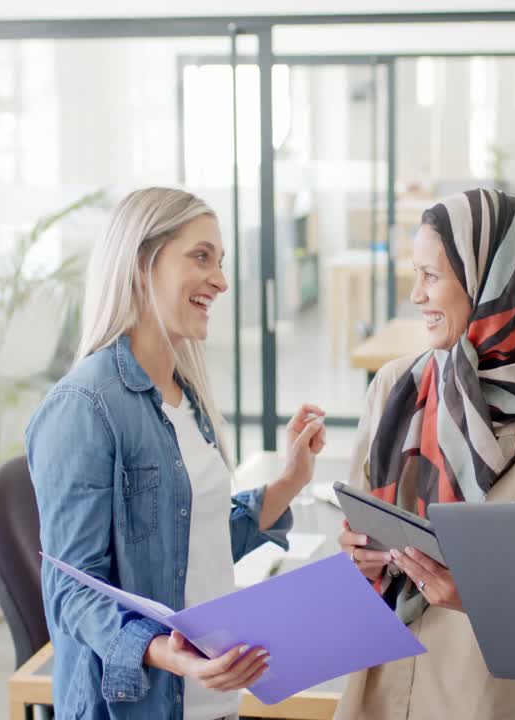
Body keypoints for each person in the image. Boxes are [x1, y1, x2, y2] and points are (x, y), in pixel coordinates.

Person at [26, 187, 327, 720]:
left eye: (221, 261)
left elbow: (191, 543)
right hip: (140, 705)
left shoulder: (186, 395)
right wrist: (169, 653)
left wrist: (289, 483)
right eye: (202, 257)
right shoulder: (84, 406)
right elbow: (71, 591)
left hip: (212, 698)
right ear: (144, 262)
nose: (221, 280)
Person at [336, 188, 515, 719]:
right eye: (413, 274)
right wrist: (352, 554)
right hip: (375, 697)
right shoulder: (396, 387)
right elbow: (353, 554)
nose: (415, 295)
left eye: (432, 276)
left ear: (494, 285)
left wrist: (477, 593)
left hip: (481, 703)